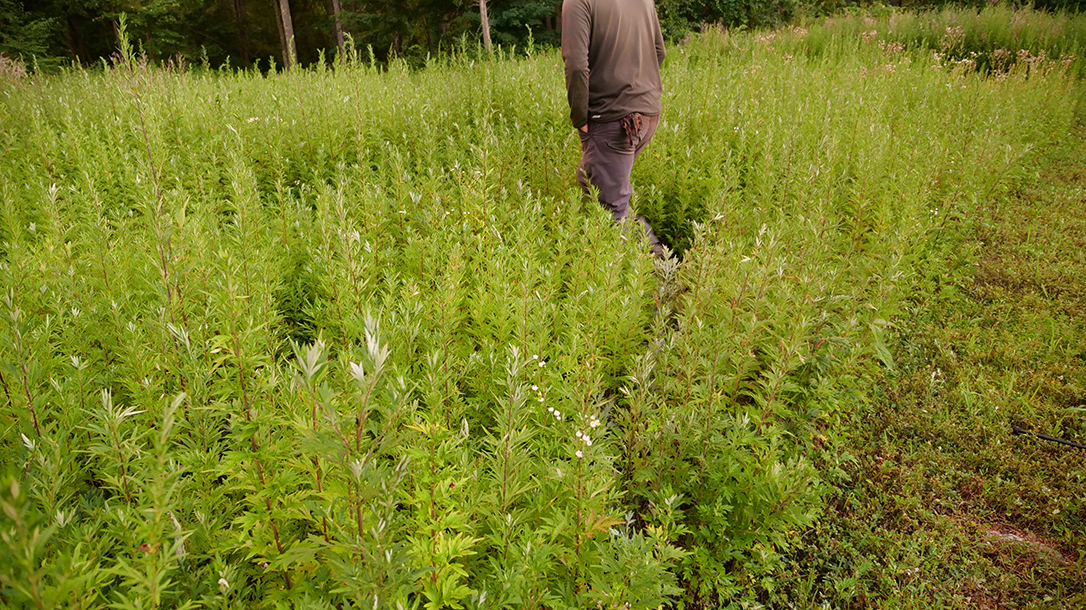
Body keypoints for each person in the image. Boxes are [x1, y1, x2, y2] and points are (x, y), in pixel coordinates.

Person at [561, 0, 667, 257]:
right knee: (589, 175)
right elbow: (659, 51)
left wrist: (580, 117)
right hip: (648, 112)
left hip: (613, 119)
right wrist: (640, 94)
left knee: (614, 209)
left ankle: (660, 269)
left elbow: (576, 65)